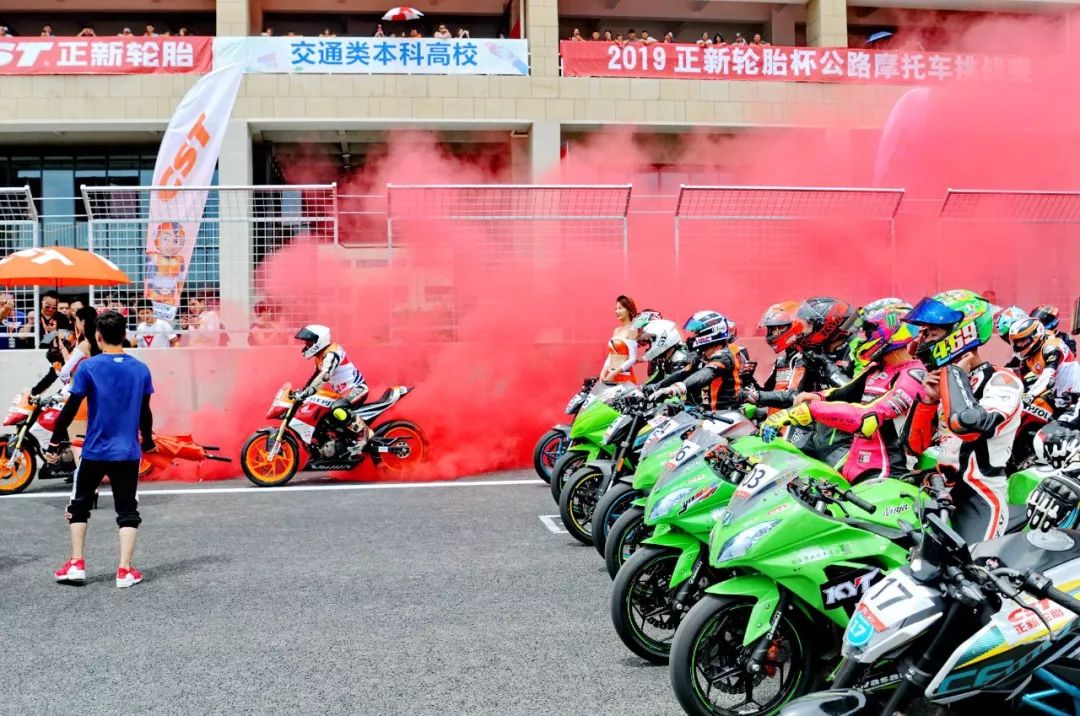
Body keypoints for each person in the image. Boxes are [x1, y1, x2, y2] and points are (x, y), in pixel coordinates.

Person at [904, 289, 1023, 542]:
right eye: (924, 334)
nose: (922, 342)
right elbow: (913, 446)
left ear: (963, 332)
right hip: (939, 491)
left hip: (980, 498)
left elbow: (969, 425)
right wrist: (927, 402)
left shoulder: (1003, 380)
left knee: (971, 564)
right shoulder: (942, 381)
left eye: (931, 334)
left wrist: (955, 376)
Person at [767, 299, 927, 482]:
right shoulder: (876, 369)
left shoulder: (913, 375)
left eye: (868, 331)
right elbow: (841, 393)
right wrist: (814, 397)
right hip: (856, 470)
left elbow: (867, 419)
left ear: (891, 331)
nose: (863, 338)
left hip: (886, 477)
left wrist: (810, 410)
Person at [50, 310, 155, 588]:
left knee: (79, 505)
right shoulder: (141, 369)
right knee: (127, 510)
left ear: (98, 336)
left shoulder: (89, 367)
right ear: (125, 335)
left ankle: (76, 563)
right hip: (127, 452)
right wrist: (149, 440)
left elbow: (70, 408)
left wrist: (55, 439)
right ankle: (124, 570)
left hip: (94, 451)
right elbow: (145, 413)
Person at [649, 311, 751, 411]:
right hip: (707, 414)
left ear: (710, 332)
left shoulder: (724, 355)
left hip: (727, 413)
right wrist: (651, 388)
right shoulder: (702, 355)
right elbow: (682, 373)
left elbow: (705, 374)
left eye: (697, 333)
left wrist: (678, 387)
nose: (693, 337)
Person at [294, 325, 370, 455]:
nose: (306, 346)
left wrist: (309, 391)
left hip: (357, 389)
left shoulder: (331, 354)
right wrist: (303, 391)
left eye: (309, 342)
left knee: (337, 409)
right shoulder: (320, 356)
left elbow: (324, 376)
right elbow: (315, 377)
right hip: (343, 393)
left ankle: (363, 433)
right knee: (324, 414)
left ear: (319, 341)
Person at [741, 301, 806, 414]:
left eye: (779, 328)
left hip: (796, 421)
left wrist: (756, 395)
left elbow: (794, 397)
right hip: (774, 421)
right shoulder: (781, 361)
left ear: (795, 325)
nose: (774, 334)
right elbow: (767, 395)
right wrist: (748, 379)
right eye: (772, 329)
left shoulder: (804, 358)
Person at [1007, 317, 1080, 400]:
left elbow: (1048, 378)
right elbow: (1019, 373)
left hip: (1074, 397)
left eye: (1022, 340)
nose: (1019, 345)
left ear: (1035, 336)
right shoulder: (1031, 352)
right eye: (1016, 342)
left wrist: (1030, 395)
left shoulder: (1051, 348)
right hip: (1057, 396)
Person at [636, 318, 696, 391]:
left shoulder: (680, 357)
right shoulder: (667, 356)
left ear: (661, 339)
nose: (649, 347)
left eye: (650, 342)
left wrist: (647, 389)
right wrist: (641, 388)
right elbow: (659, 376)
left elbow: (673, 384)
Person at [599, 295, 639, 384]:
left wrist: (614, 374)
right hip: (611, 376)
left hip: (625, 378)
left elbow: (632, 359)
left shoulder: (632, 330)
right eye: (616, 309)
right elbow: (611, 354)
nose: (617, 311)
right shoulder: (616, 330)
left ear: (628, 310)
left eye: (620, 308)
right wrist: (604, 371)